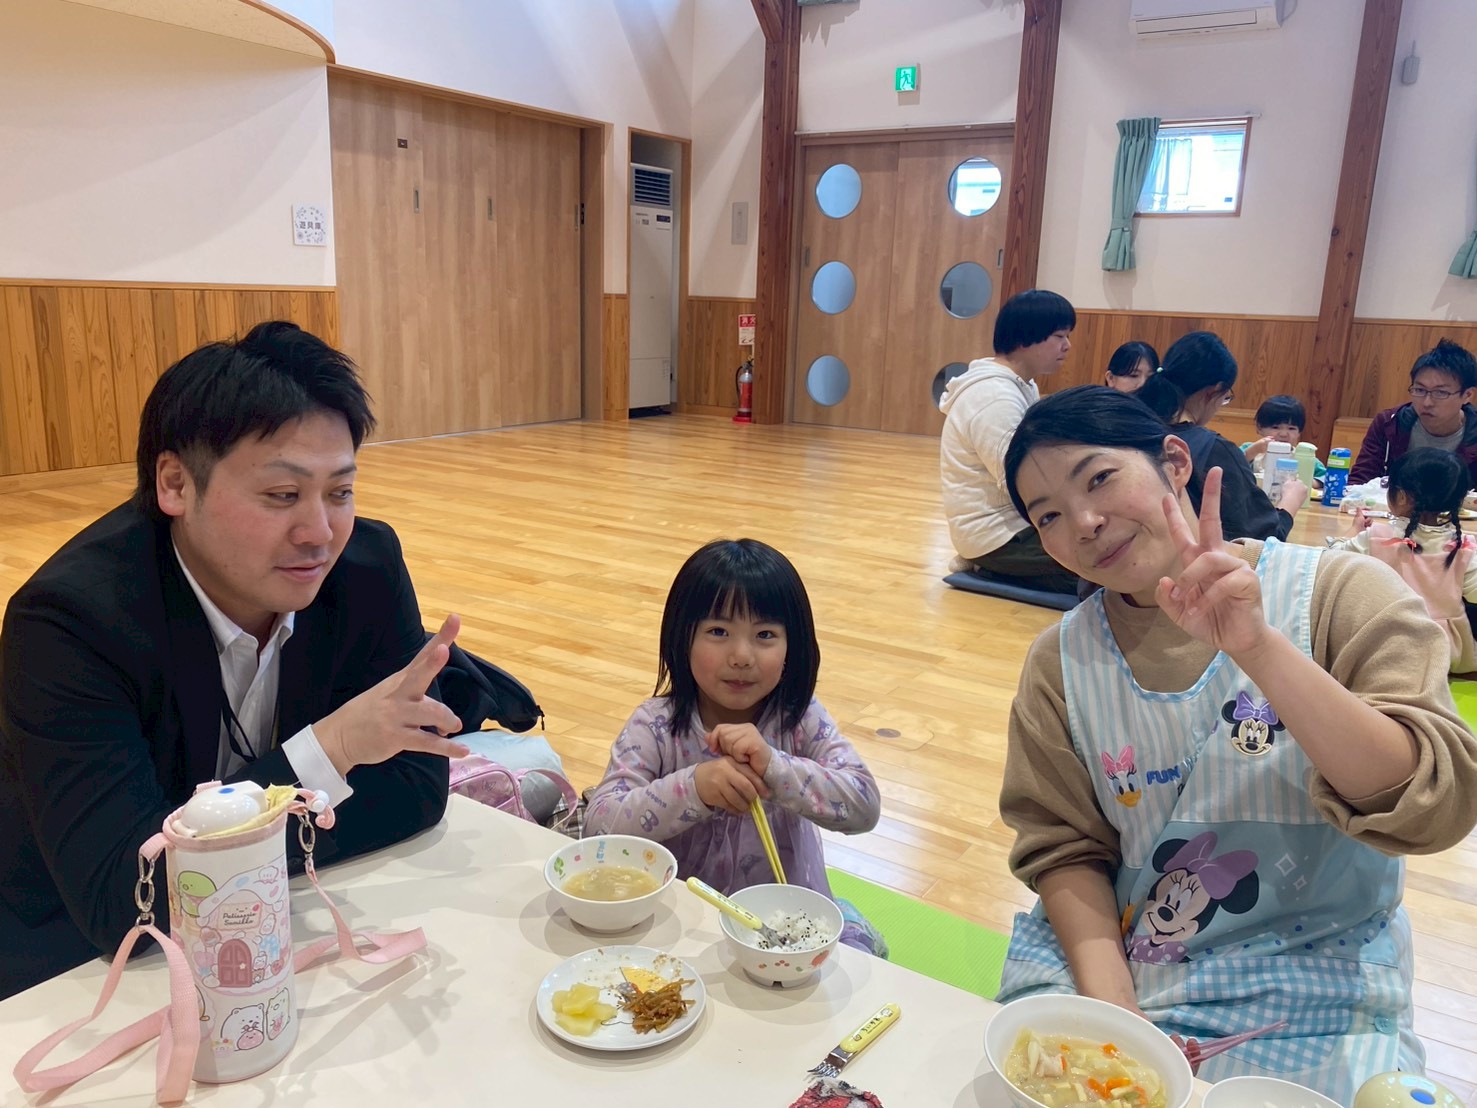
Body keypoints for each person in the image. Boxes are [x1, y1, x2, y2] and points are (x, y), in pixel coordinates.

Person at [993, 385, 1477, 1103]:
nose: (1085, 524)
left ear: (1174, 461)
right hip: (1116, 960)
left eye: (1098, 479)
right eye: (1049, 517)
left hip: (1316, 977)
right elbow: (1063, 848)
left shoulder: (1340, 593)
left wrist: (1257, 648)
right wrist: (1121, 1024)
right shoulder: (1059, 662)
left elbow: (1431, 808)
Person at [0, 322, 470, 1000]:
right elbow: (124, 900)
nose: (320, 533)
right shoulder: (72, 620)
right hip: (82, 964)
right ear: (174, 484)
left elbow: (416, 791)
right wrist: (328, 753)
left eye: (339, 492)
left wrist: (213, 862)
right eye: (282, 495)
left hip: (288, 936)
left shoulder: (366, 567)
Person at [584, 538, 885, 955]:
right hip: (679, 925)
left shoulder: (798, 719)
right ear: (682, 637)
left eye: (765, 634)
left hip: (786, 928)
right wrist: (694, 787)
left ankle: (847, 918)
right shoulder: (655, 725)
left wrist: (775, 767)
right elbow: (597, 830)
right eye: (718, 632)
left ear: (793, 646)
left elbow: (864, 806)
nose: (742, 656)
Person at [939, 289, 1080, 594]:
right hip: (997, 537)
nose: (1067, 345)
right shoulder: (994, 397)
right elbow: (1019, 481)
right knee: (1099, 566)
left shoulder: (1021, 385)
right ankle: (988, 566)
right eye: (1059, 336)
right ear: (1025, 338)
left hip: (1016, 526)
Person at [1137, 331, 1306, 541]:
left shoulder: (1132, 428)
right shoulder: (1214, 450)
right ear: (1214, 391)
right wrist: (1289, 503)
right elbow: (1261, 542)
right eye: (1225, 397)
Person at [1329, 448, 1477, 673]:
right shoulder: (1464, 546)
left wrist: (1353, 530)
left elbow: (1332, 561)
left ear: (1401, 496)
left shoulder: (1377, 537)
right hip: (1444, 650)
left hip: (1384, 645)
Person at [1352, 338, 1477, 488]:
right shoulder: (1389, 423)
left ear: (1467, 395)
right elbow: (1359, 483)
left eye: (1441, 392)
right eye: (1419, 390)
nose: (1427, 402)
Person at [1241, 394, 1327, 482]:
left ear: (1299, 432)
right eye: (1275, 427)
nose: (1283, 434)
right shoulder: (1250, 448)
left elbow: (1326, 477)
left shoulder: (1304, 457)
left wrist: (1311, 482)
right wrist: (1252, 451)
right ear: (1259, 428)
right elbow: (1233, 466)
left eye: (1291, 428)